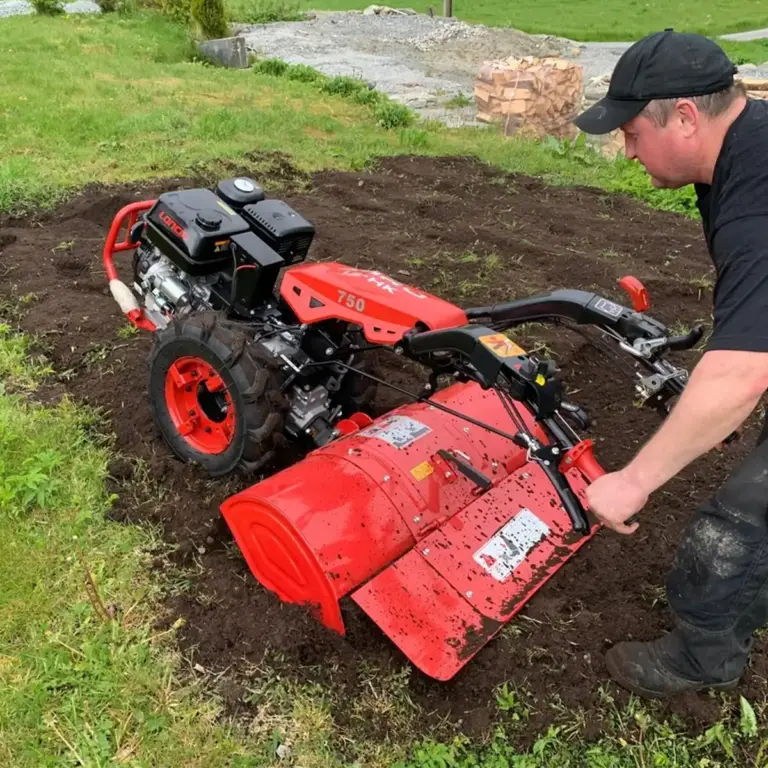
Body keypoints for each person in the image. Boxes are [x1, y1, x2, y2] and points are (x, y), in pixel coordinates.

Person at [573, 28, 768, 699]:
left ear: (685, 116)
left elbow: (743, 371)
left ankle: (702, 659)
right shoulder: (744, 151)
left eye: (632, 133)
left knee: (736, 526)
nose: (627, 151)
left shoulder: (757, 197)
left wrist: (634, 480)